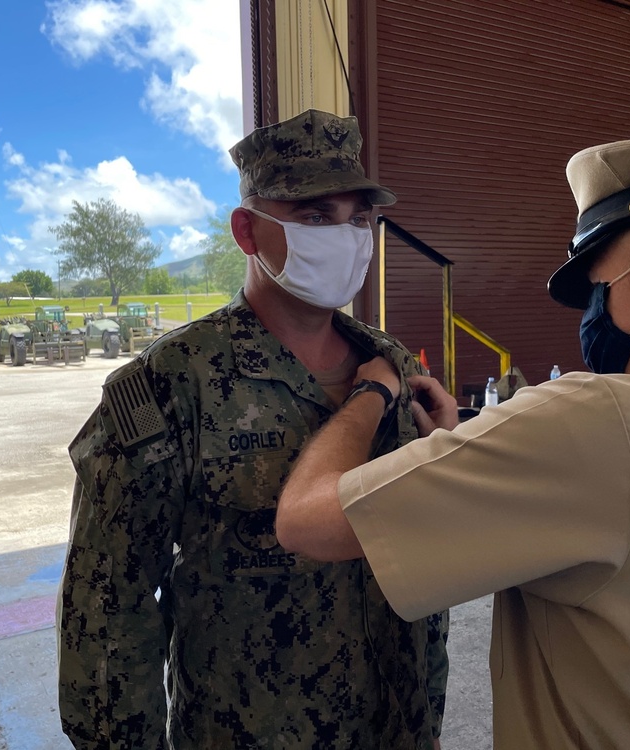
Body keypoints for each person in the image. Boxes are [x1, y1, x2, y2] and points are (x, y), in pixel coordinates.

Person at [276, 137, 630, 749]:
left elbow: (306, 522)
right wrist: (471, 452)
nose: (592, 313)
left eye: (599, 288)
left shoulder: (598, 421)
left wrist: (369, 395)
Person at [57, 108, 449, 750]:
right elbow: (108, 609)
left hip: (394, 729)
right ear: (247, 231)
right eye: (317, 216)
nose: (347, 237)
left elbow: (424, 565)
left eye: (359, 219)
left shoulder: (396, 369)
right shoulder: (170, 383)